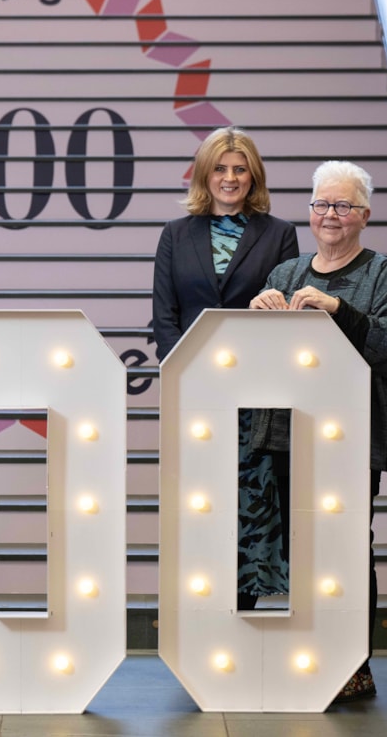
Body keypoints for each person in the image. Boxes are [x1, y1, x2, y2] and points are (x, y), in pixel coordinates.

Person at [250, 160, 387, 703]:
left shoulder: (383, 274)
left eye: (343, 206)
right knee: (300, 550)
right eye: (322, 204)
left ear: (364, 216)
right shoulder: (286, 273)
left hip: (353, 441)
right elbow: (262, 363)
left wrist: (339, 309)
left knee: (348, 551)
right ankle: (309, 657)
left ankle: (354, 665)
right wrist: (256, 316)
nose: (331, 216)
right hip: (286, 437)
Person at [152, 127, 300, 609]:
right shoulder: (175, 234)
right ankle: (199, 611)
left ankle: (242, 611)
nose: (230, 178)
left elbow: (285, 318)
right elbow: (165, 316)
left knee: (251, 506)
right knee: (200, 504)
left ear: (253, 176)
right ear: (203, 174)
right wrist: (186, 375)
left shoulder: (279, 234)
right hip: (196, 393)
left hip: (255, 397)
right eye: (220, 168)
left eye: (240, 169)